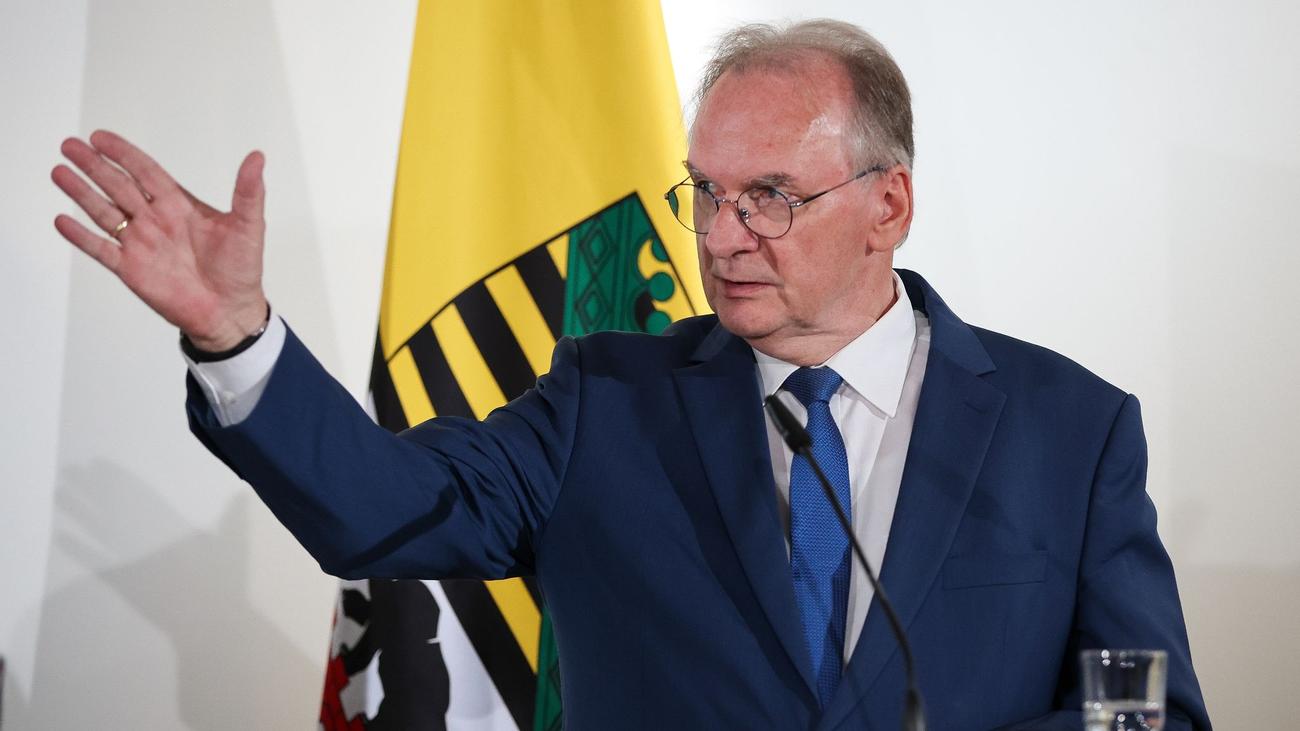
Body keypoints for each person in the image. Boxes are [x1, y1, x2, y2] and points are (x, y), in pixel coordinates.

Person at [51, 19, 1210, 730]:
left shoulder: (1069, 429)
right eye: (704, 192)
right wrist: (237, 334)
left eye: (769, 196)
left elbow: (1149, 712)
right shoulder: (604, 402)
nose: (720, 235)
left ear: (887, 205)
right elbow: (381, 506)